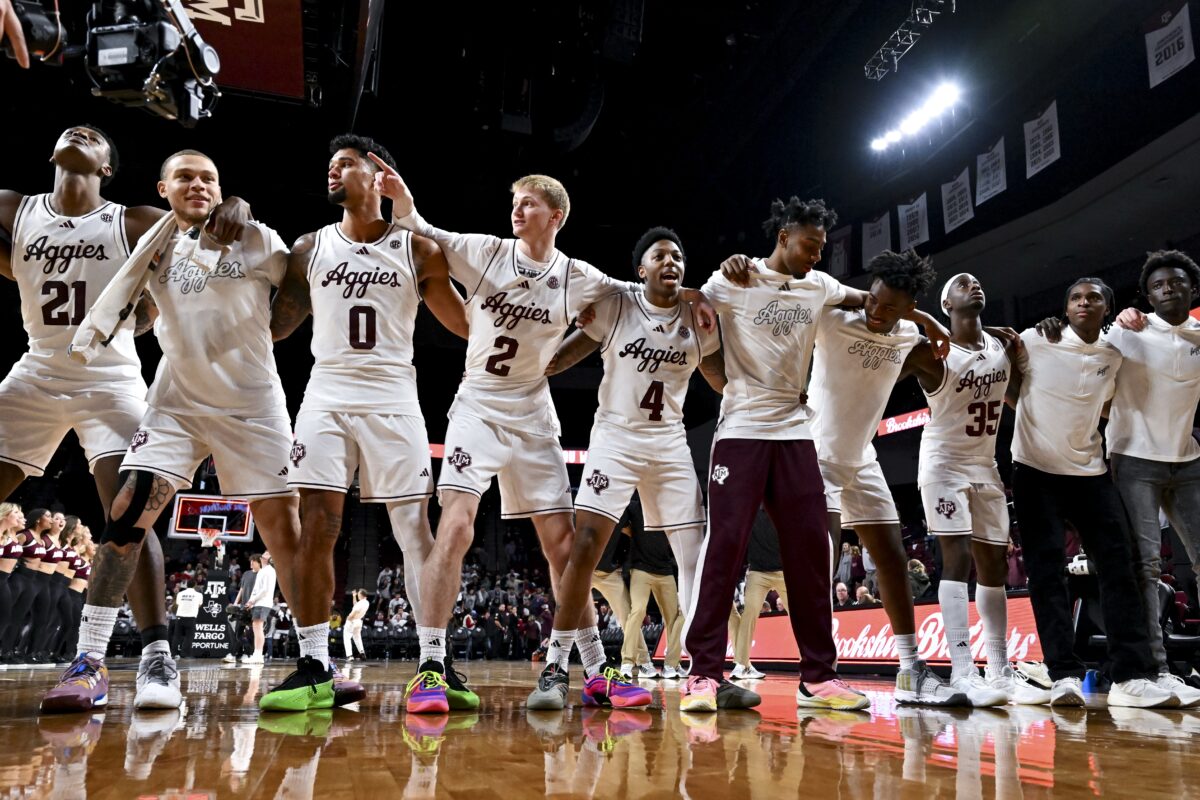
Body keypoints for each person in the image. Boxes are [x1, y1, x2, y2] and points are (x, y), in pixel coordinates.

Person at [372, 162, 712, 714]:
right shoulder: (484, 252)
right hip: (478, 406)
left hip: (534, 413)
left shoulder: (580, 277)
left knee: (562, 546)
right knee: (455, 528)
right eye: (516, 202)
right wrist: (402, 201)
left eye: (529, 203)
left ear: (555, 216)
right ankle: (431, 665)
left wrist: (696, 295)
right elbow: (423, 232)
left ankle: (598, 671)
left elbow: (640, 292)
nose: (517, 209)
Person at [38, 150, 311, 714]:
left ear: (221, 189)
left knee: (285, 531)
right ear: (162, 188)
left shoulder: (256, 237)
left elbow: (298, 296)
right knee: (126, 513)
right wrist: (110, 318)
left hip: (252, 406)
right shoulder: (155, 246)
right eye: (185, 176)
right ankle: (96, 660)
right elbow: (137, 313)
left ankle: (317, 660)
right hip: (176, 403)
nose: (199, 185)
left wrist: (268, 328)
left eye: (209, 177)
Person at [1, 128, 250, 679]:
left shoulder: (132, 220)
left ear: (107, 168)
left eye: (95, 138)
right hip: (36, 371)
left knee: (132, 509)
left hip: (110, 379)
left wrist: (233, 202)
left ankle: (156, 652)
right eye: (71, 132)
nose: (80, 134)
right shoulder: (13, 210)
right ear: (51, 153)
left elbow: (203, 227)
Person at [682, 197, 945, 713]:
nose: (816, 256)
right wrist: (726, 383)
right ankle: (703, 674)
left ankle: (819, 679)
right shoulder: (733, 280)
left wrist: (927, 321)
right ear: (783, 236)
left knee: (810, 552)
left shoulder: (820, 287)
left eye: (822, 248)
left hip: (795, 432)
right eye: (809, 245)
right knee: (726, 545)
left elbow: (873, 299)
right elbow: (694, 314)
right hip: (740, 428)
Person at [269, 136, 468, 695]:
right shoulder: (308, 248)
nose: (332, 170)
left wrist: (519, 329)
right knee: (319, 525)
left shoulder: (419, 250)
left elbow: (463, 325)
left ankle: (434, 659)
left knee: (413, 530)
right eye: (329, 163)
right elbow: (277, 326)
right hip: (326, 393)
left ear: (379, 176)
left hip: (393, 395)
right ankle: (313, 664)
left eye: (346, 163)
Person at [526, 227, 718, 710]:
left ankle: (704, 671)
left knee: (695, 553)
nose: (670, 262)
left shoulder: (698, 318)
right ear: (641, 268)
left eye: (677, 255)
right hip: (615, 436)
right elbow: (558, 360)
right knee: (585, 549)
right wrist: (548, 344)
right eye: (659, 255)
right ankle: (555, 665)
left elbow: (720, 380)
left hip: (670, 441)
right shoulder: (616, 303)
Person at [1008, 277, 1182, 708]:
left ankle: (1131, 676)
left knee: (1119, 568)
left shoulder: (1113, 354)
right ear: (1065, 309)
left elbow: (1106, 405)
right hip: (1034, 470)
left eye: (1093, 298)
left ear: (1108, 309)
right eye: (1075, 298)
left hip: (1089, 470)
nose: (1084, 303)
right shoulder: (1037, 339)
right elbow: (1010, 387)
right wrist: (1030, 413)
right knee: (1047, 575)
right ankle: (1062, 673)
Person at [809, 249, 961, 704]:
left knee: (893, 559)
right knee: (823, 559)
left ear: (908, 308)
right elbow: (810, 290)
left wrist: (928, 322)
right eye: (873, 300)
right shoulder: (833, 322)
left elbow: (940, 346)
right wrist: (926, 318)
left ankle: (911, 667)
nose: (876, 311)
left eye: (890, 307)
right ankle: (818, 672)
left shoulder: (910, 334)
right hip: (818, 455)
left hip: (863, 457)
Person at [899, 272, 1023, 707]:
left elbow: (1021, 396)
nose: (974, 285)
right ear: (947, 304)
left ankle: (1001, 667)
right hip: (943, 465)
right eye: (962, 283)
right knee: (958, 556)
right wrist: (916, 316)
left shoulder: (1003, 345)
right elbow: (879, 370)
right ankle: (962, 670)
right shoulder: (930, 351)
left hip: (986, 465)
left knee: (992, 562)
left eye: (977, 281)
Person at [1101, 251, 1200, 697]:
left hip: (1188, 460)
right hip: (1134, 459)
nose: (1167, 290)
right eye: (1158, 285)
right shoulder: (1129, 329)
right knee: (1146, 566)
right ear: (1148, 294)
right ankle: (1155, 670)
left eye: (1176, 283)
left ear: (1191, 290)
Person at [730, 509, 787, 681]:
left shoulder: (782, 507)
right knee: (749, 616)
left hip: (783, 572)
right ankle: (742, 665)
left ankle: (809, 663)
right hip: (757, 573)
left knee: (799, 618)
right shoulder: (749, 509)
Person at [245, 553, 276, 664]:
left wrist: (252, 600)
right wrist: (252, 601)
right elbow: (257, 590)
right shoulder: (263, 571)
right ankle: (257, 655)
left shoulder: (269, 571)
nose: (265, 553)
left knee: (258, 627)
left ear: (268, 558)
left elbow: (264, 590)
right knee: (256, 627)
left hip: (263, 602)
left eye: (267, 553)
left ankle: (258, 655)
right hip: (258, 602)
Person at [171, 580, 201, 658]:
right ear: (195, 585)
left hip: (180, 617)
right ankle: (184, 654)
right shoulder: (199, 595)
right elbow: (199, 605)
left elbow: (177, 604)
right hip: (191, 617)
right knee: (189, 637)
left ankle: (173, 654)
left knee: (176, 636)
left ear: (187, 585)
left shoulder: (180, 594)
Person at [344, 589, 369, 661]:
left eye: (358, 594)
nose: (358, 595)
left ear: (361, 595)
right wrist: (354, 596)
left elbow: (355, 610)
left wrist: (349, 618)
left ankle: (349, 656)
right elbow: (355, 605)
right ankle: (362, 653)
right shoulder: (366, 602)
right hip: (359, 621)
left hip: (352, 620)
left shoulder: (360, 603)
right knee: (357, 638)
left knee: (347, 637)